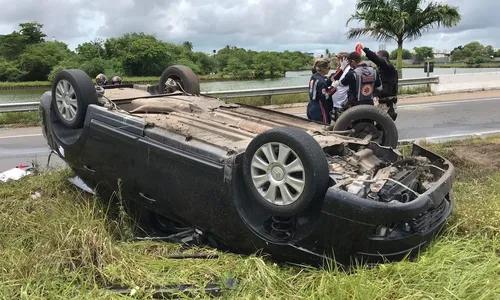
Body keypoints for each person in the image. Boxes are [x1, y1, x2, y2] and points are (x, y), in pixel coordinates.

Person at [357, 43, 399, 120]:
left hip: (387, 101)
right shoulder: (382, 69)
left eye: (377, 56)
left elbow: (378, 60)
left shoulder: (388, 67)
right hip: (382, 98)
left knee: (383, 123)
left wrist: (365, 49)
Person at [307, 58, 333, 124]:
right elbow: (325, 96)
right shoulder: (322, 81)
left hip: (311, 105)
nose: (329, 70)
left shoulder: (314, 76)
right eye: (329, 68)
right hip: (319, 107)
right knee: (323, 127)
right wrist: (333, 88)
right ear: (323, 69)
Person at [328, 52, 351, 121]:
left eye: (338, 60)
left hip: (342, 104)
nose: (337, 62)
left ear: (344, 60)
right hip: (336, 104)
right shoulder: (341, 70)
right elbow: (332, 79)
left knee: (341, 126)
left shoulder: (349, 70)